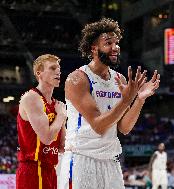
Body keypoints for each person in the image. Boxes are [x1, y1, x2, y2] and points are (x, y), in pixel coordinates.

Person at [58, 17, 160, 189]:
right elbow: (98, 125)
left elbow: (124, 128)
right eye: (108, 43)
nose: (115, 48)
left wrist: (139, 99)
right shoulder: (77, 79)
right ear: (94, 48)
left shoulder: (119, 79)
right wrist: (127, 99)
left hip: (110, 161)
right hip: (81, 159)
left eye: (117, 43)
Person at [16, 54, 67, 189]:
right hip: (33, 168)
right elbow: (46, 138)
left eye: (59, 69)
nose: (58, 72)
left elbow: (62, 146)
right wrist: (61, 116)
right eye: (52, 68)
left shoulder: (57, 105)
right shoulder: (31, 98)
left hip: (50, 169)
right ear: (39, 74)